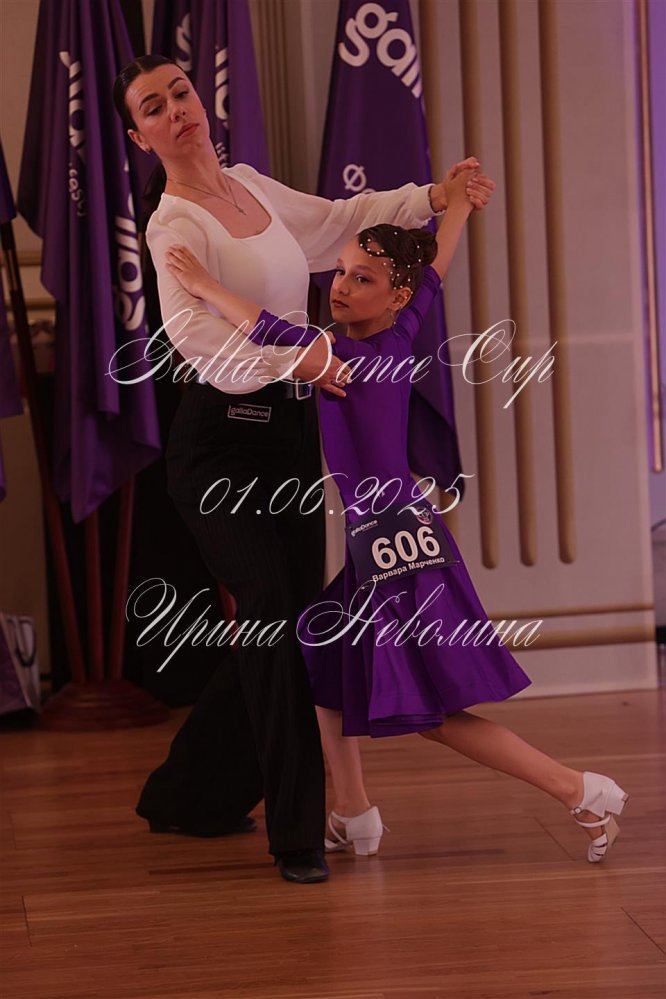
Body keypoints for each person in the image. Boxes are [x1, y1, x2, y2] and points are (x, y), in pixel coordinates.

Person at [163, 167, 630, 867]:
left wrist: (202, 283)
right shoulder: (401, 327)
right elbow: (435, 267)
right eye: (340, 272)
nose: (340, 287)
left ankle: (581, 790)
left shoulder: (344, 357)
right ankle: (353, 811)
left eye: (361, 280)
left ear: (394, 296)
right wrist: (458, 206)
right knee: (318, 656)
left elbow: (265, 326)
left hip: (396, 551)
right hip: (387, 540)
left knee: (431, 715)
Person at [113, 54, 496, 884]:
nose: (176, 109)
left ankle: (190, 792)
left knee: (288, 619)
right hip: (218, 445)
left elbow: (336, 221)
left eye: (180, 92)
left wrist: (433, 199)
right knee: (270, 610)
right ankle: (298, 834)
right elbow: (198, 339)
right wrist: (299, 362)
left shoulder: (249, 186)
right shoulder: (173, 226)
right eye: (153, 107)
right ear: (140, 137)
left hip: (289, 432)